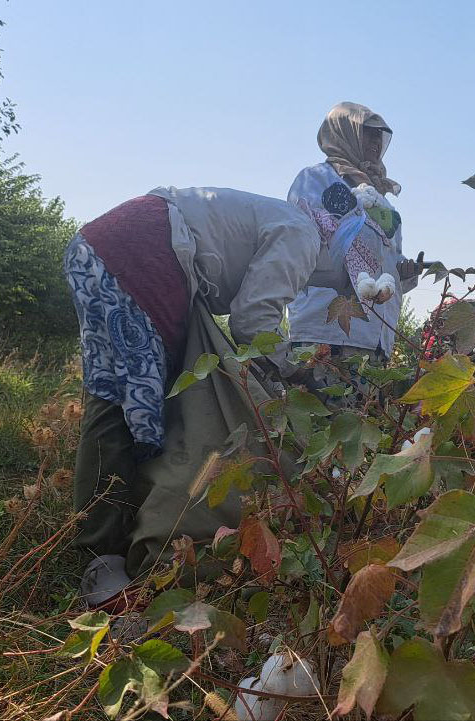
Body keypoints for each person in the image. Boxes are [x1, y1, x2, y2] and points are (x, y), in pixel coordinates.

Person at [64, 187, 320, 606]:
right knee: (152, 405)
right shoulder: (304, 233)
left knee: (112, 398)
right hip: (146, 252)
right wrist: (292, 372)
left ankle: (101, 550)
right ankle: (115, 554)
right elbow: (253, 320)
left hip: (94, 245)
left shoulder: (278, 218)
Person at [284, 102, 422, 403]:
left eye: (379, 136)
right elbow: (305, 239)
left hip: (374, 337)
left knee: (362, 426)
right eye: (368, 133)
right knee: (321, 424)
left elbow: (386, 259)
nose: (375, 142)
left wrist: (404, 272)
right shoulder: (316, 179)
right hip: (324, 331)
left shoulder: (383, 200)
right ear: (344, 133)